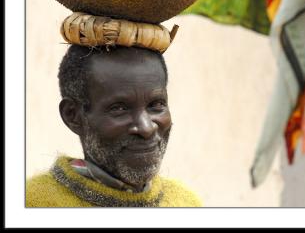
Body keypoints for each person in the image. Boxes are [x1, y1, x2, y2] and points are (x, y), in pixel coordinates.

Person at [26, 45, 202, 207]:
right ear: (73, 116)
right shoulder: (34, 204)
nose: (146, 128)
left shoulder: (186, 203)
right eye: (119, 108)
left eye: (156, 105)